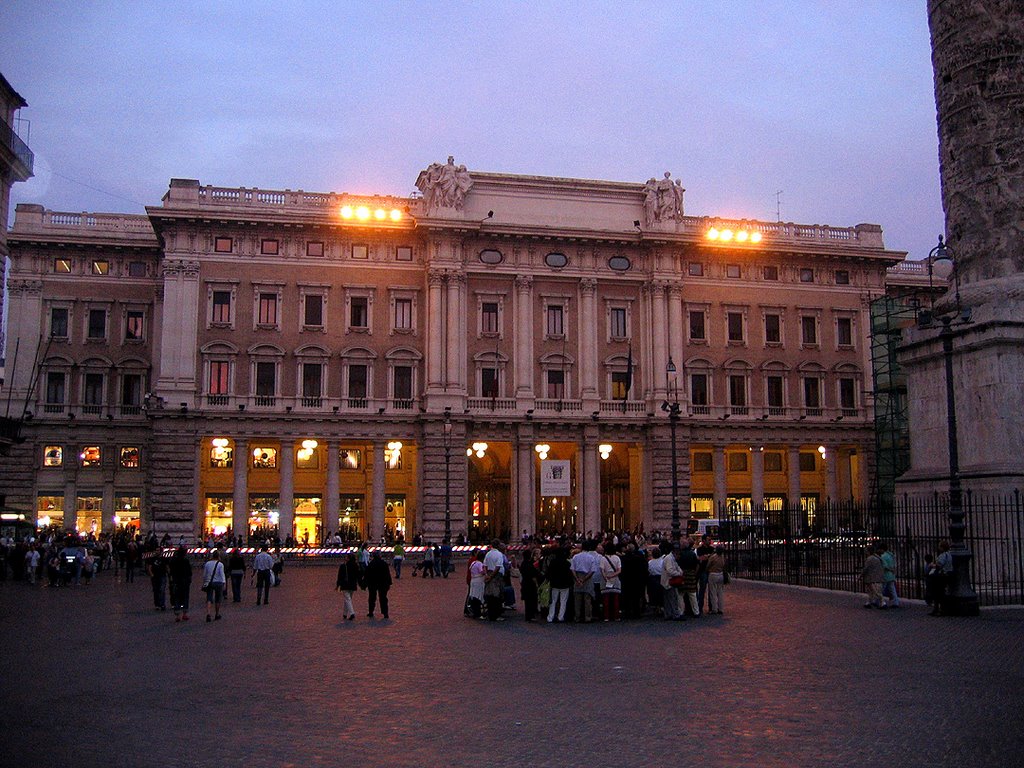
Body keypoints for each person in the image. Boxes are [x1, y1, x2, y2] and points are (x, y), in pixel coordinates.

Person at [571, 541, 596, 623]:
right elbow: (592, 571)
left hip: (577, 575)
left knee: (577, 600)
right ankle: (587, 617)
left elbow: (572, 569)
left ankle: (577, 617)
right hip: (587, 577)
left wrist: (577, 579)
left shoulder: (575, 557)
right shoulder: (591, 557)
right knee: (587, 599)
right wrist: (584, 579)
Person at [546, 547, 573, 623]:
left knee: (553, 601)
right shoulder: (567, 563)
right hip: (565, 584)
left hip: (555, 584)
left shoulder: (553, 562)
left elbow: (549, 573)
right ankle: (561, 616)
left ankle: (550, 617)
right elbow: (569, 574)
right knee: (563, 601)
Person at [659, 541, 684, 620]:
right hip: (669, 581)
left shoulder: (669, 558)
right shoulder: (670, 559)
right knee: (673, 598)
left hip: (666, 581)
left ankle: (668, 614)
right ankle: (675, 614)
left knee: (667, 599)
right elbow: (670, 571)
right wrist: (679, 573)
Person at [483, 539, 506, 621]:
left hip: (489, 574)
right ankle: (496, 615)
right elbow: (498, 566)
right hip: (496, 576)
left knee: (490, 595)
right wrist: (491, 576)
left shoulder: (488, 554)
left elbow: (484, 565)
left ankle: (490, 614)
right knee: (497, 595)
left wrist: (486, 575)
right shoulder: (499, 554)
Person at [365, 551, 392, 619]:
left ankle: (371, 611)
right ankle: (385, 613)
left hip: (372, 583)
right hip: (382, 583)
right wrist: (389, 583)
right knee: (383, 598)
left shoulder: (371, 564)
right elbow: (387, 574)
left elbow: (367, 575)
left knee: (372, 598)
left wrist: (365, 583)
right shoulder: (384, 564)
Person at [168, 546, 192, 622]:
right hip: (184, 581)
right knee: (185, 597)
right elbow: (189, 572)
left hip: (176, 580)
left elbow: (170, 571)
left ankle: (178, 614)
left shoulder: (173, 560)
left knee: (176, 597)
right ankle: (185, 613)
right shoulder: (186, 560)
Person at [599, 542, 622, 621]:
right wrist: (613, 575)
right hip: (615, 578)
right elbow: (619, 570)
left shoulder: (603, 558)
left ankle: (606, 616)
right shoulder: (617, 558)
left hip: (606, 579)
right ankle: (616, 616)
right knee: (616, 599)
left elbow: (601, 569)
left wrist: (606, 577)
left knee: (606, 599)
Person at [202, 549, 226, 622]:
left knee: (209, 598)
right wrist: (224, 583)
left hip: (209, 582)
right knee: (218, 599)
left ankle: (208, 613)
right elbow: (222, 575)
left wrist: (205, 582)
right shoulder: (220, 564)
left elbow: (205, 574)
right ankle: (217, 614)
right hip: (218, 582)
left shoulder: (207, 564)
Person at [336, 552, 361, 620]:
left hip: (345, 584)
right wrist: (360, 584)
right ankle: (344, 613)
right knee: (348, 599)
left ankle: (352, 613)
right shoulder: (356, 565)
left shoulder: (343, 566)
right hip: (352, 584)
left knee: (347, 599)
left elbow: (340, 576)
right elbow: (358, 575)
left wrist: (338, 585)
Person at [520, 548, 542, 622]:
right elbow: (535, 574)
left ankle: (528, 616)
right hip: (530, 584)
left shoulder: (523, 564)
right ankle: (531, 616)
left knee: (527, 601)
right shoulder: (530, 564)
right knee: (532, 600)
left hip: (525, 583)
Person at [695, 535, 715, 615]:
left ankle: (711, 607)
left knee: (711, 590)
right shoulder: (699, 549)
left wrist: (707, 557)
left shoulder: (711, 549)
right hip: (702, 571)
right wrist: (708, 557)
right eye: (708, 540)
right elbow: (701, 558)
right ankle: (700, 607)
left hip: (710, 571)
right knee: (702, 590)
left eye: (710, 539)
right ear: (703, 540)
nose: (709, 541)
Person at [933, 540, 954, 616]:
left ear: (942, 547)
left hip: (941, 575)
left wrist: (933, 565)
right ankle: (942, 609)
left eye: (940, 546)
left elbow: (939, 565)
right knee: (942, 592)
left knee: (938, 592)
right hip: (948, 574)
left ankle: (939, 609)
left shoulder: (943, 555)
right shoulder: (949, 554)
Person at [705, 546, 727, 614]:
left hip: (713, 574)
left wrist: (707, 570)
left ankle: (714, 609)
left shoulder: (713, 557)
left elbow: (708, 566)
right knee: (720, 592)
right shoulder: (723, 557)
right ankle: (721, 608)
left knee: (713, 592)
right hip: (720, 574)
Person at [878, 542, 900, 608]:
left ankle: (879, 601)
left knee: (881, 589)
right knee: (892, 589)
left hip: (885, 575)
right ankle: (896, 602)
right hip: (892, 574)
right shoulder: (891, 555)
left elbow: (884, 566)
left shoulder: (883, 556)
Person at [862, 544, 884, 609]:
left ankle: (882, 603)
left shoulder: (870, 559)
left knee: (875, 591)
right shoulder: (878, 558)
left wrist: (861, 575)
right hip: (877, 576)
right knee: (872, 591)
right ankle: (869, 602)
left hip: (872, 577)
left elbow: (866, 568)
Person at [467, 549, 486, 619]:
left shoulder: (473, 563)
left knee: (474, 596)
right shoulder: (480, 564)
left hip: (473, 580)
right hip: (479, 581)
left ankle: (474, 612)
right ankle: (478, 613)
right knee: (479, 597)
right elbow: (482, 572)